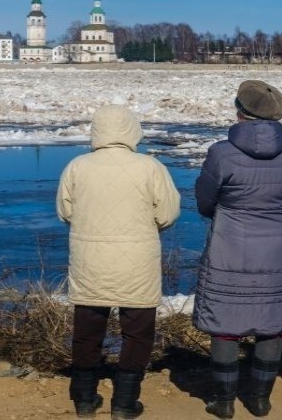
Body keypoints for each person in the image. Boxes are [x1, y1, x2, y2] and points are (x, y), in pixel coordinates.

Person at [192, 80, 282, 419]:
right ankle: (260, 399)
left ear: (240, 111)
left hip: (232, 243)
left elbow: (205, 199)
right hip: (280, 246)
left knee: (226, 320)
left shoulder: (221, 152)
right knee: (273, 319)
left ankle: (224, 401)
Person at [57, 105, 181, 420]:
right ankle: (125, 404)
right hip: (137, 260)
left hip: (90, 259)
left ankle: (85, 400)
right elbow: (166, 214)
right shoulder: (150, 167)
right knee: (137, 331)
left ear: (96, 130)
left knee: (87, 329)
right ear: (132, 130)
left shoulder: (77, 166)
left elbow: (65, 211)